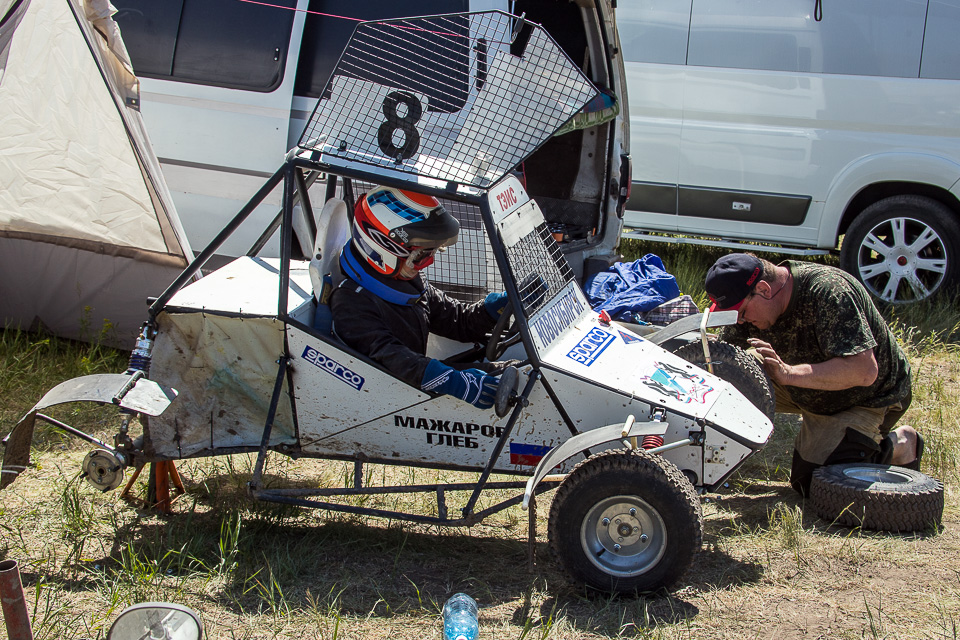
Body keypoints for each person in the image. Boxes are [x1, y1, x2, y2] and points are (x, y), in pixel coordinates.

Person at [704, 253, 921, 496]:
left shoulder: (830, 292)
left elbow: (864, 371)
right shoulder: (752, 304)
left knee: (817, 484)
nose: (741, 322)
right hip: (802, 385)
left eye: (742, 312)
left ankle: (900, 444)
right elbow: (721, 362)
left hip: (865, 395)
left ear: (764, 289)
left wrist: (789, 374)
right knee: (731, 377)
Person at [329, 185, 512, 410]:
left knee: (519, 371)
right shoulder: (350, 302)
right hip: (388, 400)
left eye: (434, 252)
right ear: (383, 249)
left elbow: (457, 321)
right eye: (422, 255)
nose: (429, 263)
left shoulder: (408, 283)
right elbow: (390, 358)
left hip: (413, 384)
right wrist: (455, 382)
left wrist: (498, 307)